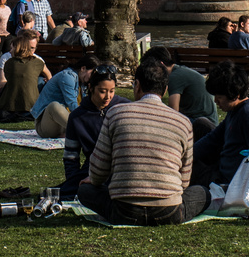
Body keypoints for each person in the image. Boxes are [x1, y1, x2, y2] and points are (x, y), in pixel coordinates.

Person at [78, 58, 210, 226]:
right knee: (203, 192)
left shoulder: (115, 114)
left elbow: (98, 170)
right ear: (166, 89)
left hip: (123, 210)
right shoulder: (183, 122)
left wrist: (95, 180)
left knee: (85, 190)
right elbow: (184, 181)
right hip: (169, 211)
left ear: (137, 85)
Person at [191, 62, 249, 186]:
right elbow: (214, 137)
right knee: (201, 124)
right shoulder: (235, 110)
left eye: (219, 97)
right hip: (223, 163)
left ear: (235, 95)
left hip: (228, 180)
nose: (216, 101)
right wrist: (186, 155)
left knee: (189, 169)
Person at [62, 63, 127, 200]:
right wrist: (72, 180)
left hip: (122, 167)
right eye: (102, 91)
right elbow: (71, 156)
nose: (107, 97)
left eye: (112, 91)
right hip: (93, 169)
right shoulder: (77, 116)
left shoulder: (125, 108)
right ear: (91, 88)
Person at [145, 46, 217, 138]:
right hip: (207, 121)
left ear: (161, 64)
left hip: (201, 124)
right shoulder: (180, 71)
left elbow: (173, 112)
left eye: (152, 69)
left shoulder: (174, 77)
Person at [33, 52, 97, 138]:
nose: (92, 78)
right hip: (45, 126)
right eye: (92, 74)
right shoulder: (67, 77)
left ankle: (77, 131)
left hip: (62, 124)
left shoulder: (82, 82)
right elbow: (72, 105)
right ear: (83, 68)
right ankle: (85, 131)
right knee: (54, 106)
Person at [0, 30, 49, 122]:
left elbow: (49, 77)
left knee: (40, 81)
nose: (30, 51)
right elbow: (1, 83)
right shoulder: (7, 58)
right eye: (29, 47)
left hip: (28, 94)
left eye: (33, 48)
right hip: (14, 91)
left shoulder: (37, 60)